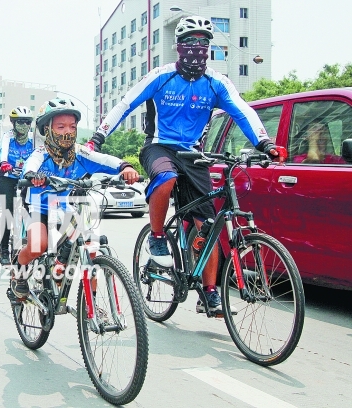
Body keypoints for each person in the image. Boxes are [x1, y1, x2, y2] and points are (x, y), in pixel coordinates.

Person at [87, 15, 287, 314]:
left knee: (207, 227)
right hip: (159, 146)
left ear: (210, 48)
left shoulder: (216, 82)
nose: (197, 47)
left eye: (204, 42)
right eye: (191, 42)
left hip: (194, 154)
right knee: (165, 177)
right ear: (178, 46)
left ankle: (209, 293)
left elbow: (242, 111)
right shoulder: (161, 76)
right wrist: (99, 137)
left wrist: (265, 143)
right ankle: (156, 236)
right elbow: (124, 104)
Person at [10, 98, 140, 299]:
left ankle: (91, 306)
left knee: (91, 248)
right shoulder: (40, 153)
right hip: (37, 207)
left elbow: (104, 159)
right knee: (38, 245)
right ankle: (18, 270)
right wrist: (32, 177)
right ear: (47, 129)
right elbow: (30, 166)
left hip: (66, 205)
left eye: (72, 126)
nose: (67, 131)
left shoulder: (80, 153)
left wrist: (125, 167)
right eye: (60, 126)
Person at [0, 106, 35, 265]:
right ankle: (4, 249)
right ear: (13, 123)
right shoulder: (8, 137)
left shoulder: (33, 139)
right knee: (8, 213)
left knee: (32, 210)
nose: (23, 125)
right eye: (20, 122)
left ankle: (32, 245)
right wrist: (4, 163)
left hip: (26, 179)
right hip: (7, 178)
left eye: (27, 122)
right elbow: (3, 152)